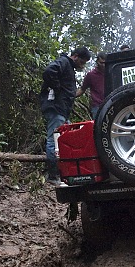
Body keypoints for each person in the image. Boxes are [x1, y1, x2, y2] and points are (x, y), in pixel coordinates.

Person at [40, 46, 92, 184]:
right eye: (82, 62)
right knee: (54, 141)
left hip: (62, 110)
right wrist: (58, 90)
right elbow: (49, 72)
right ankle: (53, 175)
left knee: (63, 141)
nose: (82, 66)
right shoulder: (63, 62)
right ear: (75, 56)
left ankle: (63, 173)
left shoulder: (68, 66)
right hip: (56, 108)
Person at [76, 52, 106, 119]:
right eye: (101, 63)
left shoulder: (110, 72)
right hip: (97, 106)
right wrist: (71, 96)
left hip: (110, 103)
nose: (103, 65)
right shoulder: (91, 75)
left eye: (105, 63)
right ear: (97, 62)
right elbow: (82, 89)